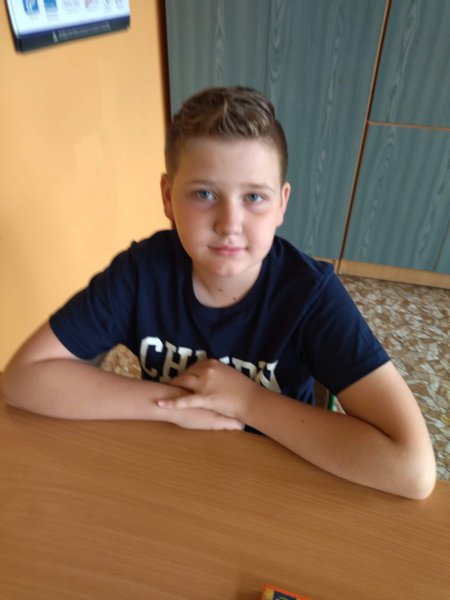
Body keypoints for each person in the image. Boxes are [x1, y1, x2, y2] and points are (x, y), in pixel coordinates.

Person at [2, 87, 436, 499]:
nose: (230, 223)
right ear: (168, 197)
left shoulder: (311, 295)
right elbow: (22, 380)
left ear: (282, 204)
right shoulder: (141, 273)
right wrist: (174, 403)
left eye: (254, 197)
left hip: (280, 479)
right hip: (173, 468)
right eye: (205, 194)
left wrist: (247, 401)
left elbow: (412, 469)